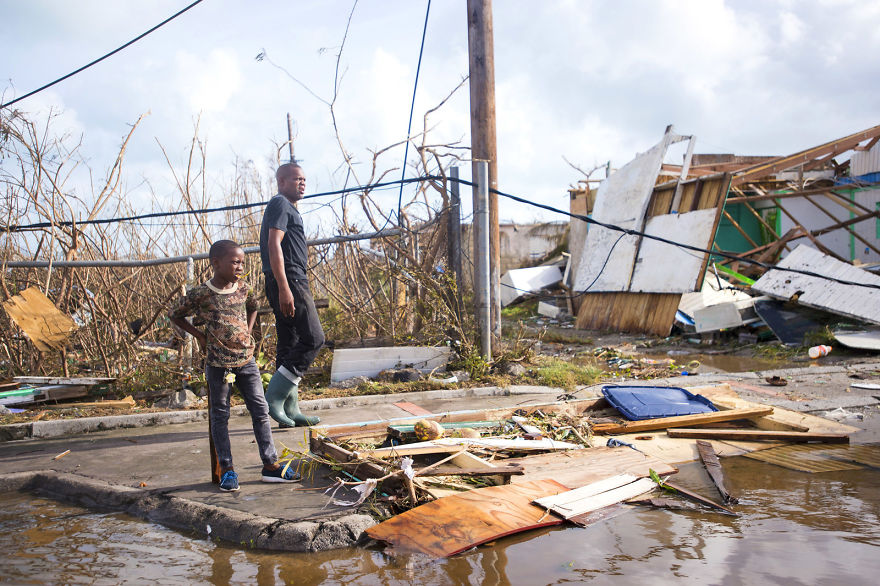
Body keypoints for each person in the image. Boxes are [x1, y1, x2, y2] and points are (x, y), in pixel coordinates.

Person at [170, 239, 300, 492]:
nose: (240, 266)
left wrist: (248, 332)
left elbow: (254, 308)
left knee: (260, 411)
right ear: (215, 263)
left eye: (242, 262)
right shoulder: (201, 294)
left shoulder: (244, 289)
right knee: (220, 416)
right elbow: (175, 315)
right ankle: (227, 470)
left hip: (247, 361)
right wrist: (199, 336)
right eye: (234, 262)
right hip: (218, 365)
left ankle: (271, 465)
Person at [259, 162, 324, 428]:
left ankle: (290, 408)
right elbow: (274, 245)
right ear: (282, 181)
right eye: (296, 179)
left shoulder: (287, 207)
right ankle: (274, 397)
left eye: (304, 179)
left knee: (290, 342)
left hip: (287, 280)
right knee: (314, 338)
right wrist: (285, 287)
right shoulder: (280, 204)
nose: (302, 183)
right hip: (290, 279)